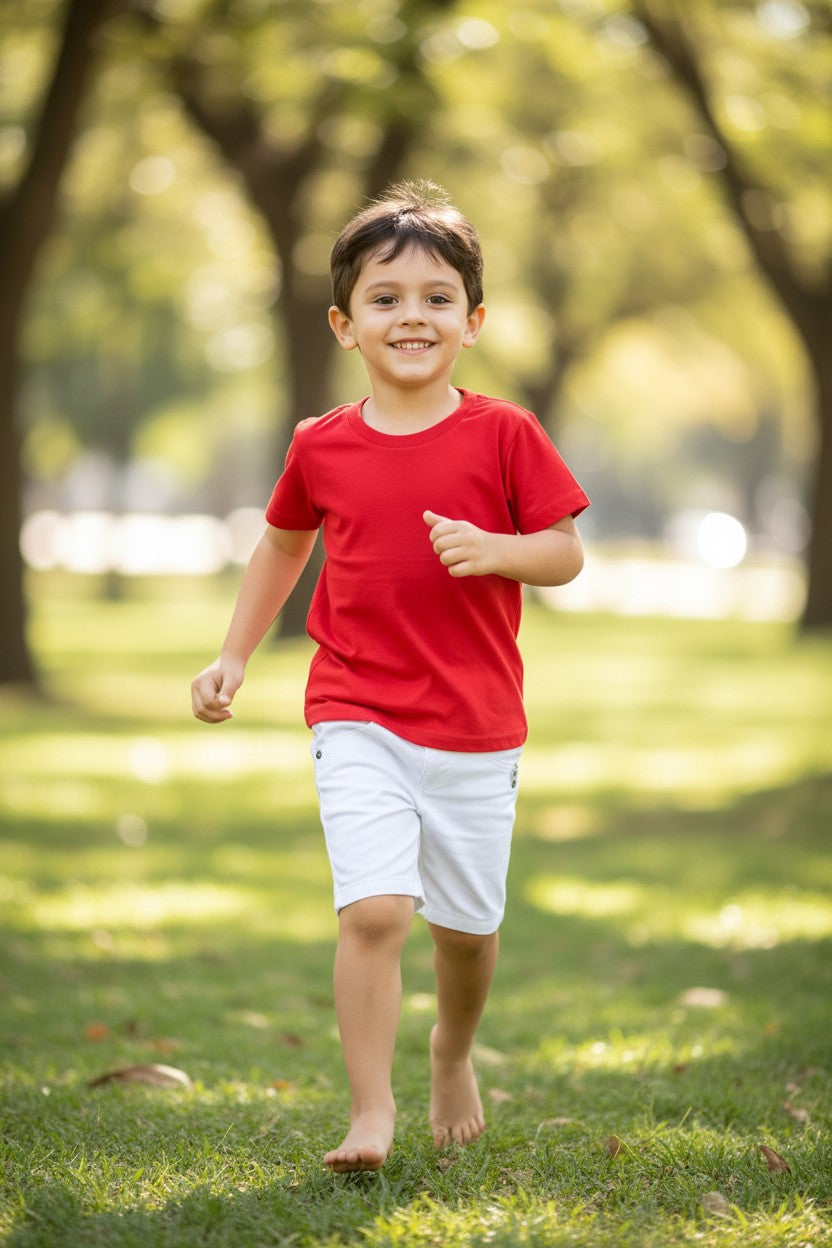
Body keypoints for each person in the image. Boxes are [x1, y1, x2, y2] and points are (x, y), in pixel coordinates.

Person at [191, 181, 589, 1173]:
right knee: (374, 912)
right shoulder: (319, 444)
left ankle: (452, 1049)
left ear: (473, 321)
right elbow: (281, 548)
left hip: (475, 724)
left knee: (464, 932)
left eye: (436, 297)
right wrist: (234, 653)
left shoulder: (503, 435)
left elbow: (564, 552)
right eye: (385, 297)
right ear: (343, 324)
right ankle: (371, 1113)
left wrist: (499, 550)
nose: (411, 314)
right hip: (355, 709)